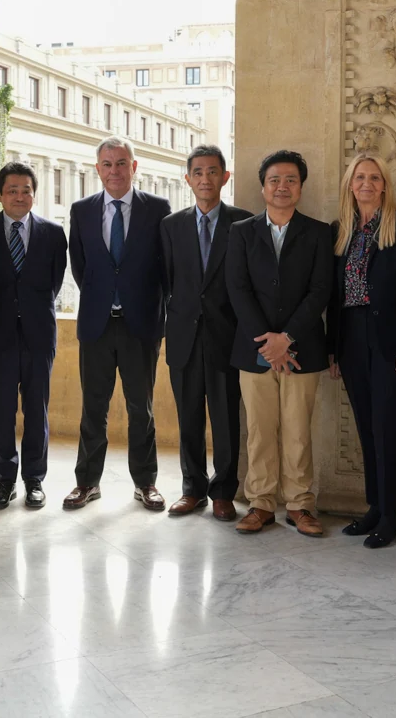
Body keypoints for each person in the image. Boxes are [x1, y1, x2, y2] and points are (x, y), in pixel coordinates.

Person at [226, 150, 333, 537]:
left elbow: (321, 290)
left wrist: (286, 338)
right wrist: (267, 343)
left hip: (302, 348)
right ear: (263, 187)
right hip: (253, 351)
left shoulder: (319, 232)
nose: (282, 186)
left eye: (290, 180)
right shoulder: (241, 231)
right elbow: (237, 289)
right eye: (275, 180)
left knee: (297, 429)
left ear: (301, 187)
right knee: (258, 429)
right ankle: (260, 504)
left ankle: (301, 505)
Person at [63, 136, 171, 511]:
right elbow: (81, 267)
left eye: (121, 163)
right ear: (98, 169)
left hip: (140, 325)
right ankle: (87, 483)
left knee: (141, 407)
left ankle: (146, 484)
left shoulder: (158, 209)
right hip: (96, 324)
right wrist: (105, 297)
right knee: (93, 407)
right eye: (107, 164)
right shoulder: (81, 210)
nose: (114, 171)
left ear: (134, 166)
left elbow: (164, 268)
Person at [328, 154, 396, 549]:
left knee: (388, 429)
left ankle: (390, 517)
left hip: (392, 341)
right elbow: (335, 297)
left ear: (384, 184)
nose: (366, 183)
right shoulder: (343, 230)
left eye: (374, 178)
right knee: (367, 429)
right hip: (352, 337)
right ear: (350, 185)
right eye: (359, 177)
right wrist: (334, 349)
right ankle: (373, 507)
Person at [160, 145, 252, 521]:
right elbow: (168, 281)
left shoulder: (244, 223)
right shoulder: (171, 225)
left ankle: (223, 492)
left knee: (227, 419)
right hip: (183, 336)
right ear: (188, 179)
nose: (205, 179)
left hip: (226, 338)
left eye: (212, 172)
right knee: (189, 420)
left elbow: (247, 282)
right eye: (197, 172)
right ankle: (192, 489)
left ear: (224, 177)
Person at [0, 162, 67, 510]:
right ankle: (4, 481)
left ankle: (34, 479)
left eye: (26, 189)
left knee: (36, 408)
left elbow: (53, 285)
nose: (19, 196)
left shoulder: (53, 234)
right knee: (1, 410)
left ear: (34, 193)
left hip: (38, 335)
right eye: (11, 190)